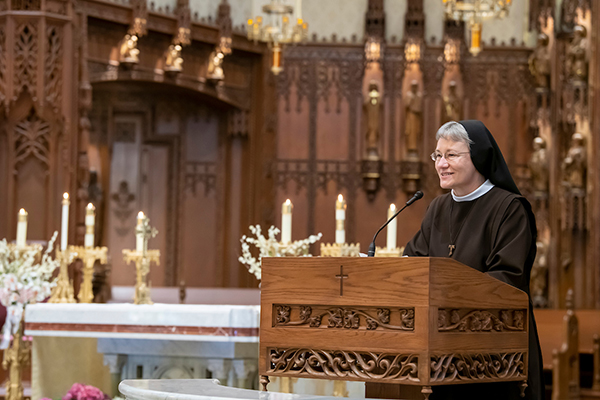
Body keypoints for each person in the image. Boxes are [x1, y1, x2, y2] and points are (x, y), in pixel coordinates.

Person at [403, 120, 544, 400]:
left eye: (451, 155)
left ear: (479, 157)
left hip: (493, 355)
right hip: (441, 355)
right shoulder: (438, 208)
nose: (441, 164)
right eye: (437, 155)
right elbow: (413, 265)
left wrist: (446, 290)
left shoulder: (510, 209)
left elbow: (507, 280)